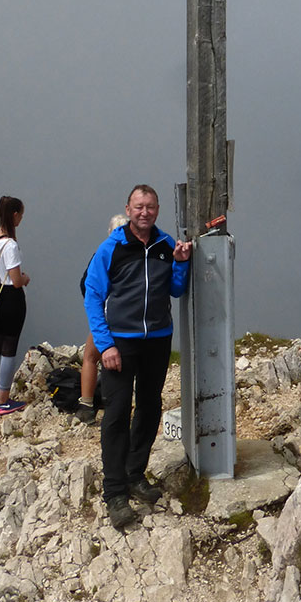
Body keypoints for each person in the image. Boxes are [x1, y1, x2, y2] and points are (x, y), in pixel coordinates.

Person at [83, 184, 191, 529]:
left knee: (149, 406)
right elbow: (93, 295)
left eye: (150, 207)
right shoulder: (111, 248)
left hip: (157, 339)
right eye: (138, 207)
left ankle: (134, 474)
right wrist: (106, 345)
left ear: (157, 210)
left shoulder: (165, 245)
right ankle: (114, 492)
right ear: (128, 209)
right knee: (115, 413)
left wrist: (180, 264)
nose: (145, 213)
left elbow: (175, 289)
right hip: (121, 343)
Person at [75, 213, 128, 425]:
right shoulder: (136, 254)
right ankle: (121, 404)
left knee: (90, 358)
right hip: (129, 319)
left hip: (104, 317)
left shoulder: (102, 254)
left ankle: (86, 406)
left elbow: (85, 285)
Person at [0, 195, 31, 416]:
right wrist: (25, 278)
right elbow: (16, 279)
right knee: (9, 349)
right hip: (11, 298)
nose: (21, 218)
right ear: (14, 215)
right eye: (20, 214)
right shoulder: (10, 245)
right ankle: (3, 399)